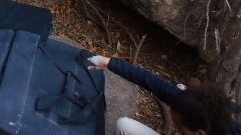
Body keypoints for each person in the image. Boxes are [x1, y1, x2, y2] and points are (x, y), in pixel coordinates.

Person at [87, 54, 235, 135]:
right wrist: (108, 62)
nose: (174, 121)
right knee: (123, 125)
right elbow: (150, 80)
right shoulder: (192, 106)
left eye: (180, 126)